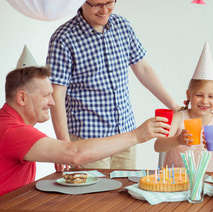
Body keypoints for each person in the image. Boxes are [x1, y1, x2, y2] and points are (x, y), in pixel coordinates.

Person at [46, 0, 181, 171]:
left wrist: (173, 105)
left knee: (125, 197)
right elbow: (56, 94)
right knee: (93, 201)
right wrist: (63, 147)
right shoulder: (63, 38)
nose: (104, 10)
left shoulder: (122, 26)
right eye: (97, 5)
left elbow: (142, 68)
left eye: (110, 2)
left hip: (126, 136)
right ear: (80, 1)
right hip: (88, 140)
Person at [0, 66, 171, 196]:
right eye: (46, 95)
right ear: (22, 98)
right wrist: (137, 135)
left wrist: (60, 151)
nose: (52, 102)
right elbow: (75, 153)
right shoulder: (12, 130)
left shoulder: (7, 123)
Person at [154, 42, 213, 172]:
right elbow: (158, 146)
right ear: (189, 95)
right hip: (175, 183)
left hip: (208, 183)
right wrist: (178, 140)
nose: (205, 101)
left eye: (211, 96)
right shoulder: (179, 118)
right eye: (199, 95)